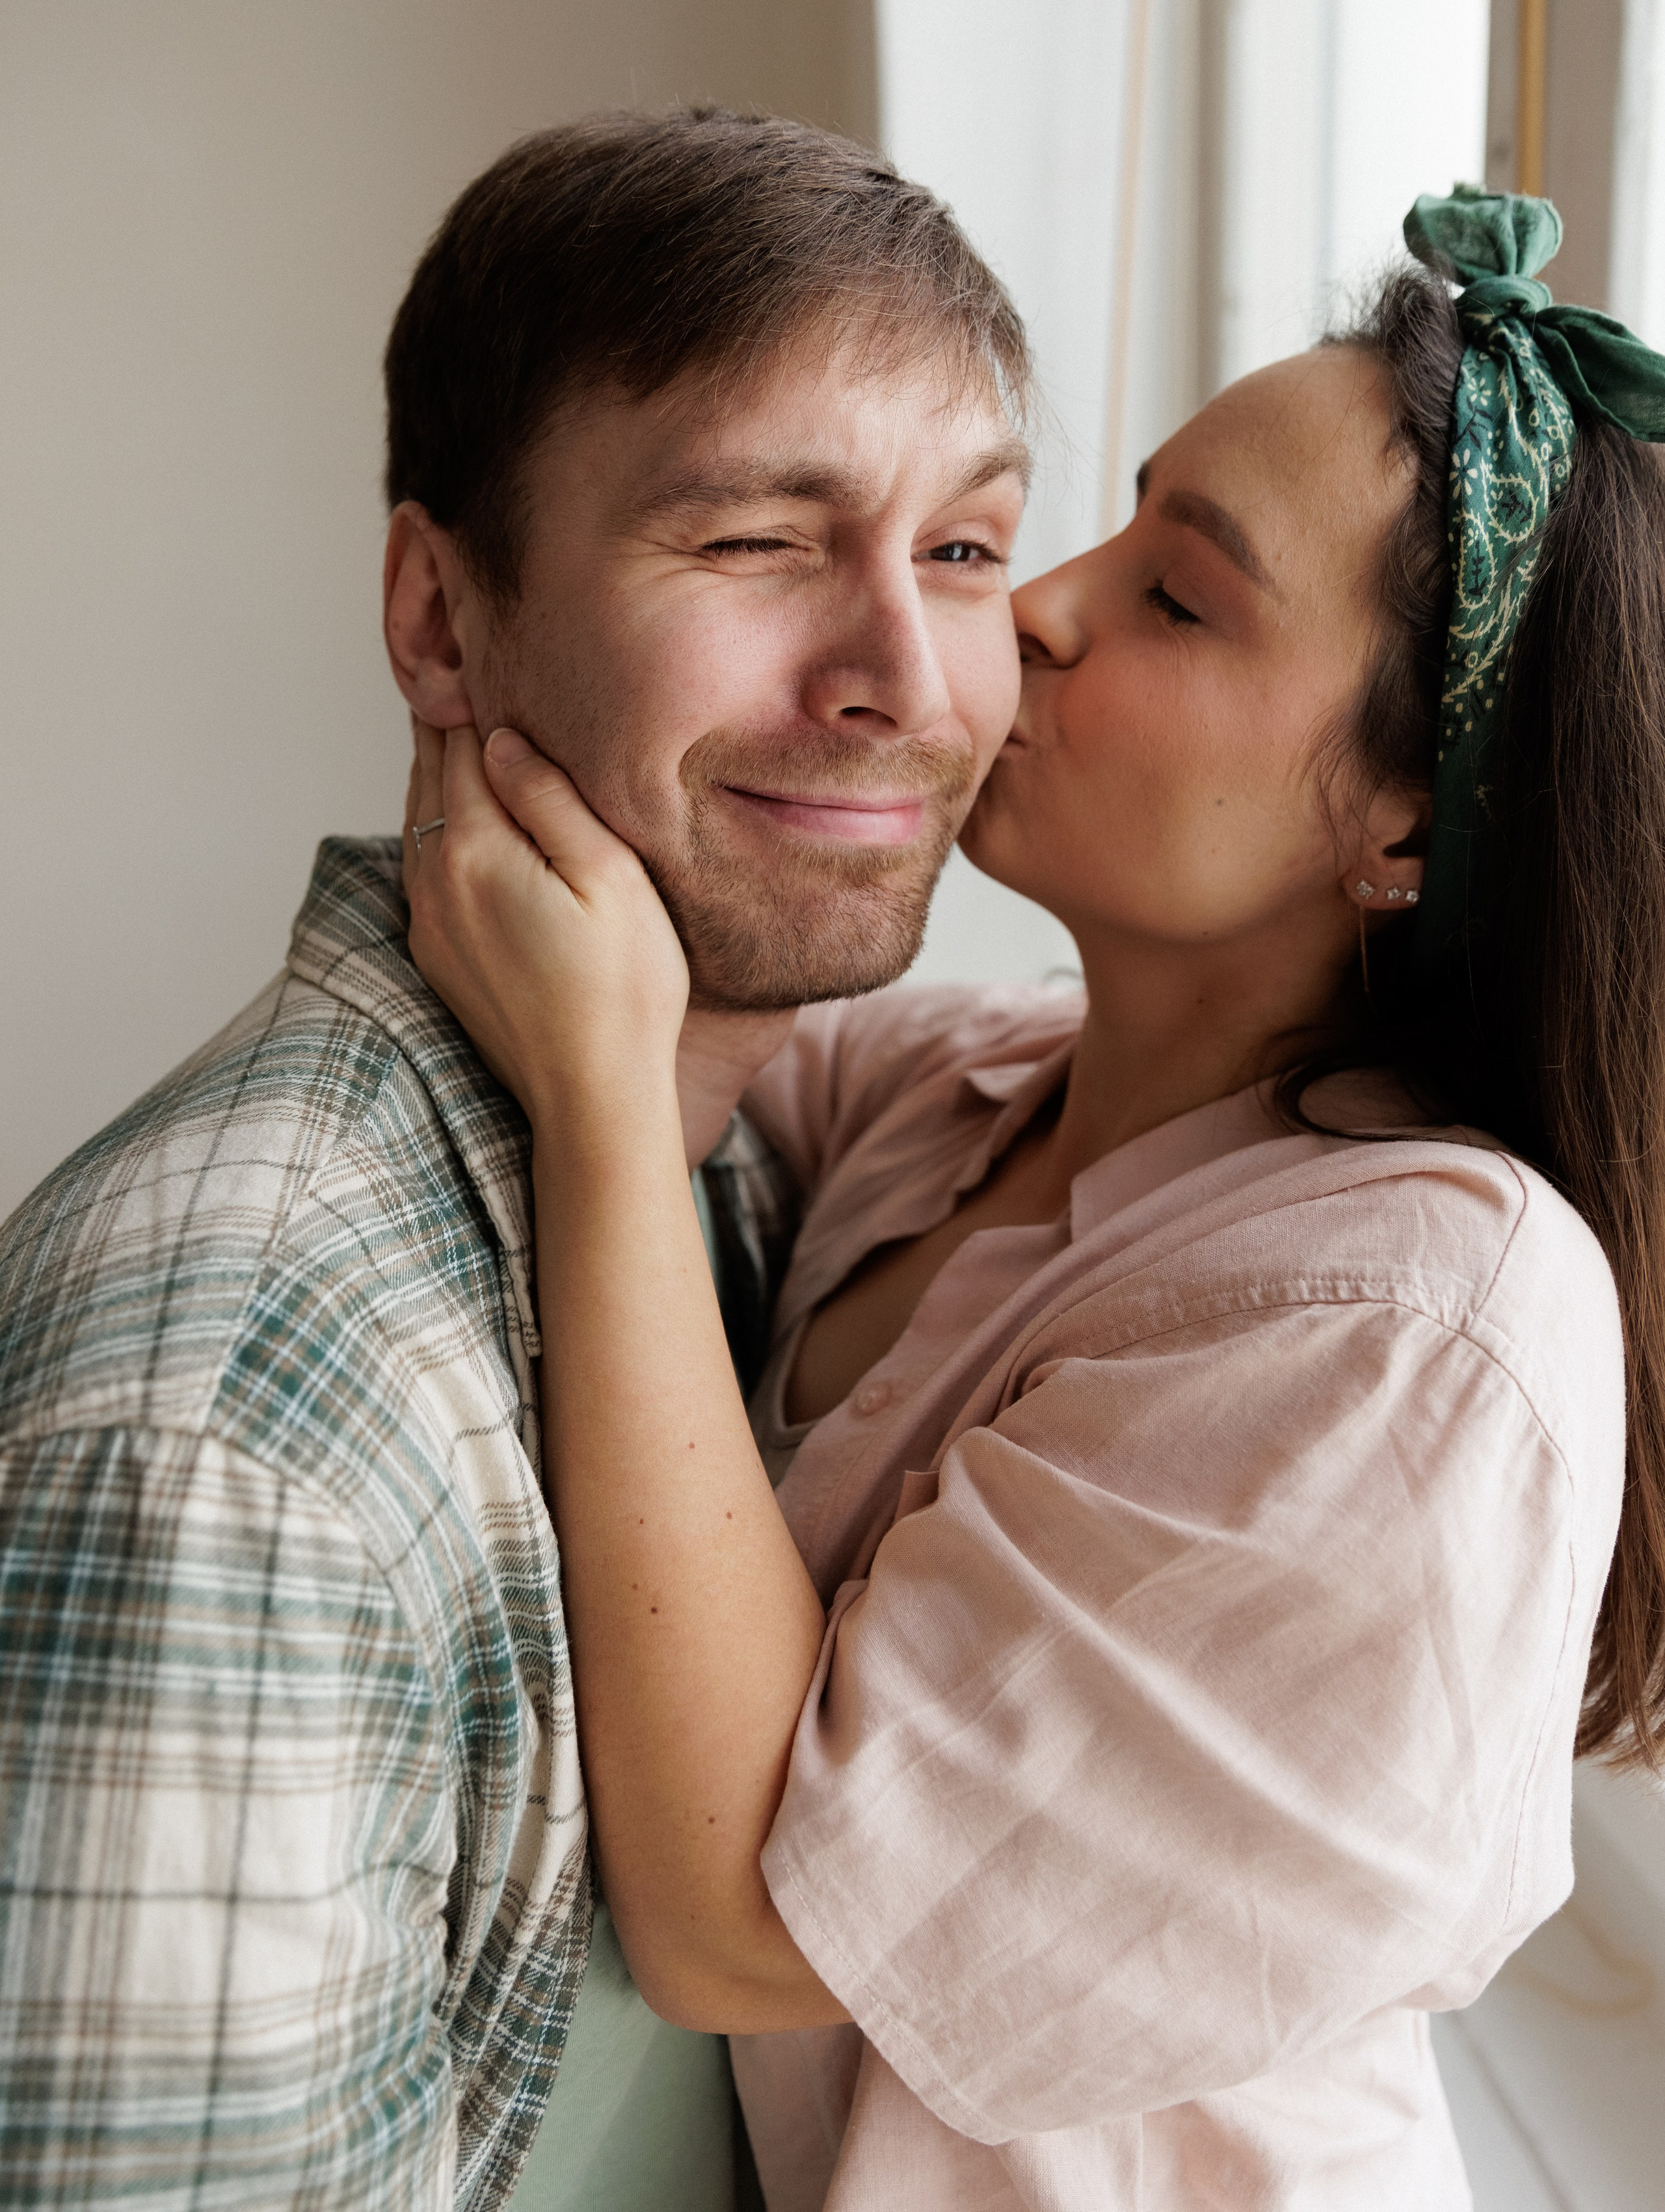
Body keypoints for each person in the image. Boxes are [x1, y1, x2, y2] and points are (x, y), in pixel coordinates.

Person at [403, 187, 1665, 2209]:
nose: (1038, 608)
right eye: (1092, 527)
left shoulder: (1419, 1320)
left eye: (1176, 598)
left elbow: (748, 1918)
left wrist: (607, 1126)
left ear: (1405, 817)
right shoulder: (973, 1084)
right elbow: (676, 950)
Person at [0, 110, 1033, 2208]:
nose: (903, 684)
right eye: (755, 542)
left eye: (965, 550)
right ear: (442, 622)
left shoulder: (727, 1169)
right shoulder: (226, 1451)